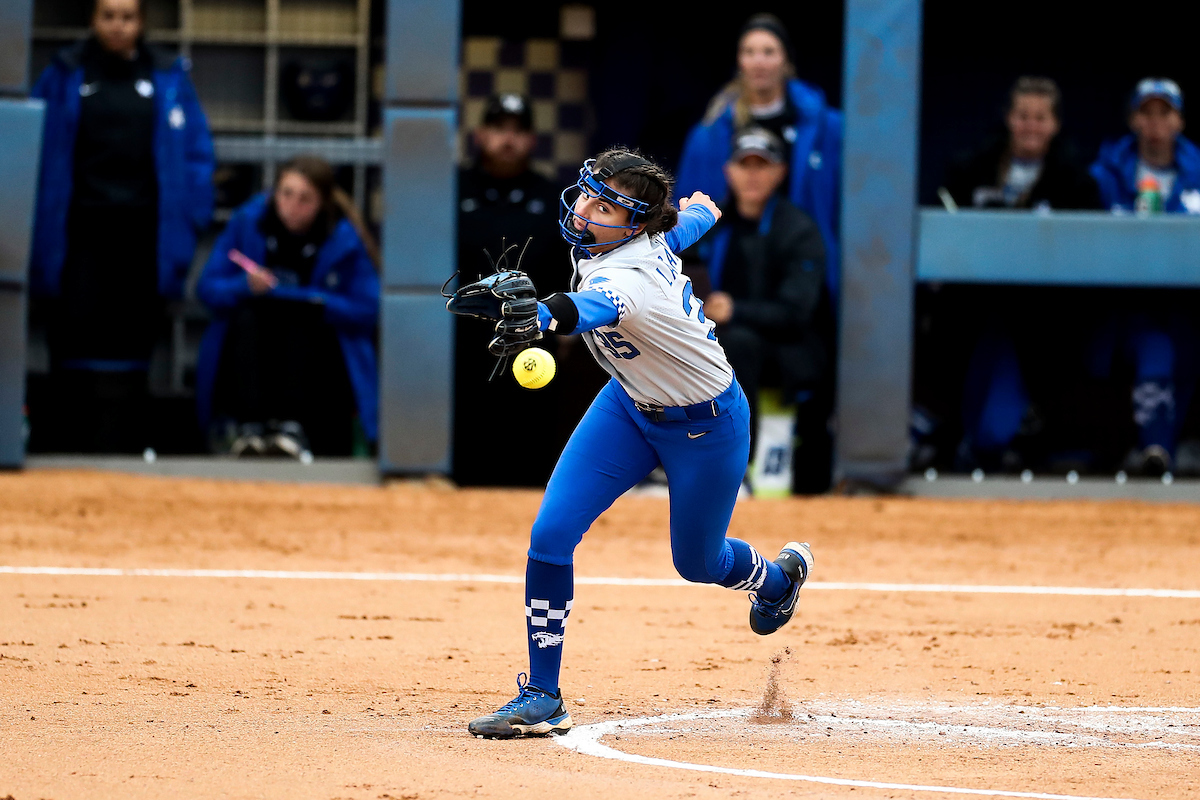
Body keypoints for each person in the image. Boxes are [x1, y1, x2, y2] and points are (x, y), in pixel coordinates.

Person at [451, 148, 815, 739]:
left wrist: (542, 316)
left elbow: (593, 306)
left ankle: (775, 579)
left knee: (697, 563)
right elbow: (680, 229)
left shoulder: (630, 281)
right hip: (626, 406)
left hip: (707, 425)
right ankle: (543, 693)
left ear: (636, 224)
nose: (586, 209)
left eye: (605, 205)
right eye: (589, 193)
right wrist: (701, 213)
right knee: (549, 536)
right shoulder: (624, 242)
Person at [28, 0, 214, 452]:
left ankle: (126, 448)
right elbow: (33, 143)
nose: (117, 25)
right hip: (79, 231)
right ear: (92, 20)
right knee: (72, 333)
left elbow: (196, 155)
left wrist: (191, 219)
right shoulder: (65, 72)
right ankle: (63, 446)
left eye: (127, 16)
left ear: (141, 22)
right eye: (108, 15)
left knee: (133, 338)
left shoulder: (168, 76)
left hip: (142, 231)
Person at [194, 156, 380, 458]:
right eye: (286, 193)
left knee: (300, 320)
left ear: (322, 203)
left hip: (318, 364)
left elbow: (367, 308)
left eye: (305, 199)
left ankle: (293, 428)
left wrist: (316, 302)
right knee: (248, 317)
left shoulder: (344, 239)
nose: (292, 206)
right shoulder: (248, 222)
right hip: (253, 354)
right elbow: (207, 288)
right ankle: (250, 428)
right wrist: (243, 286)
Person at [682, 127, 832, 492]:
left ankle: (737, 472)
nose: (752, 174)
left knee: (740, 343)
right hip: (718, 339)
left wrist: (736, 311)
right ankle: (671, 464)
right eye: (743, 164)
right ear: (727, 171)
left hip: (789, 352)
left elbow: (796, 313)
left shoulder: (799, 230)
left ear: (780, 172)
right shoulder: (711, 225)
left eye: (762, 165)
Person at [676, 13, 842, 300]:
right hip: (731, 260)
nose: (759, 61)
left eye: (769, 52)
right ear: (739, 61)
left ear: (786, 60)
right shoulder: (711, 133)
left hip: (800, 257)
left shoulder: (826, 127)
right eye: (749, 52)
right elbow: (683, 208)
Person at [455, 92, 570, 486]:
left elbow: (569, 268)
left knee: (531, 443)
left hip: (535, 335)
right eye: (499, 129)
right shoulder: (453, 191)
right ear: (480, 134)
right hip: (464, 339)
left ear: (532, 140)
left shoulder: (552, 197)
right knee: (468, 438)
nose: (508, 139)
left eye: (518, 131)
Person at [943, 76, 1100, 210]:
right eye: (1023, 117)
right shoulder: (969, 171)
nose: (1031, 127)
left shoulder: (1076, 184)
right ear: (1008, 118)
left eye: (1040, 118)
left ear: (1056, 124)